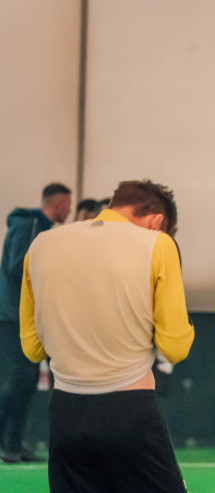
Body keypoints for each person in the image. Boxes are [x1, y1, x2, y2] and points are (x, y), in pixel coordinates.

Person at [19, 179, 194, 492]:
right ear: (156, 222)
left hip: (65, 412)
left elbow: (32, 348)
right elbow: (175, 347)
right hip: (131, 410)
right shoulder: (158, 244)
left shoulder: (41, 245)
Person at [0, 183, 71, 463]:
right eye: (68, 204)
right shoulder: (30, 224)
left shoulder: (40, 227)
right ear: (59, 203)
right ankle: (9, 444)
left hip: (24, 315)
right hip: (14, 315)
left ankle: (13, 444)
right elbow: (19, 267)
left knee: (26, 379)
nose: (69, 210)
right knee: (23, 377)